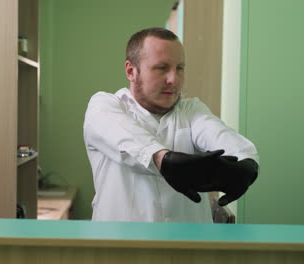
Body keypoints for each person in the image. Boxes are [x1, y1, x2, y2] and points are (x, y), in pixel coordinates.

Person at [83, 27, 259, 223]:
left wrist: (247, 164)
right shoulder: (104, 106)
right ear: (131, 71)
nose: (173, 79)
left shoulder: (191, 110)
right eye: (161, 68)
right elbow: (124, 136)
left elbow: (222, 137)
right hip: (120, 249)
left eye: (180, 68)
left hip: (189, 249)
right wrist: (162, 159)